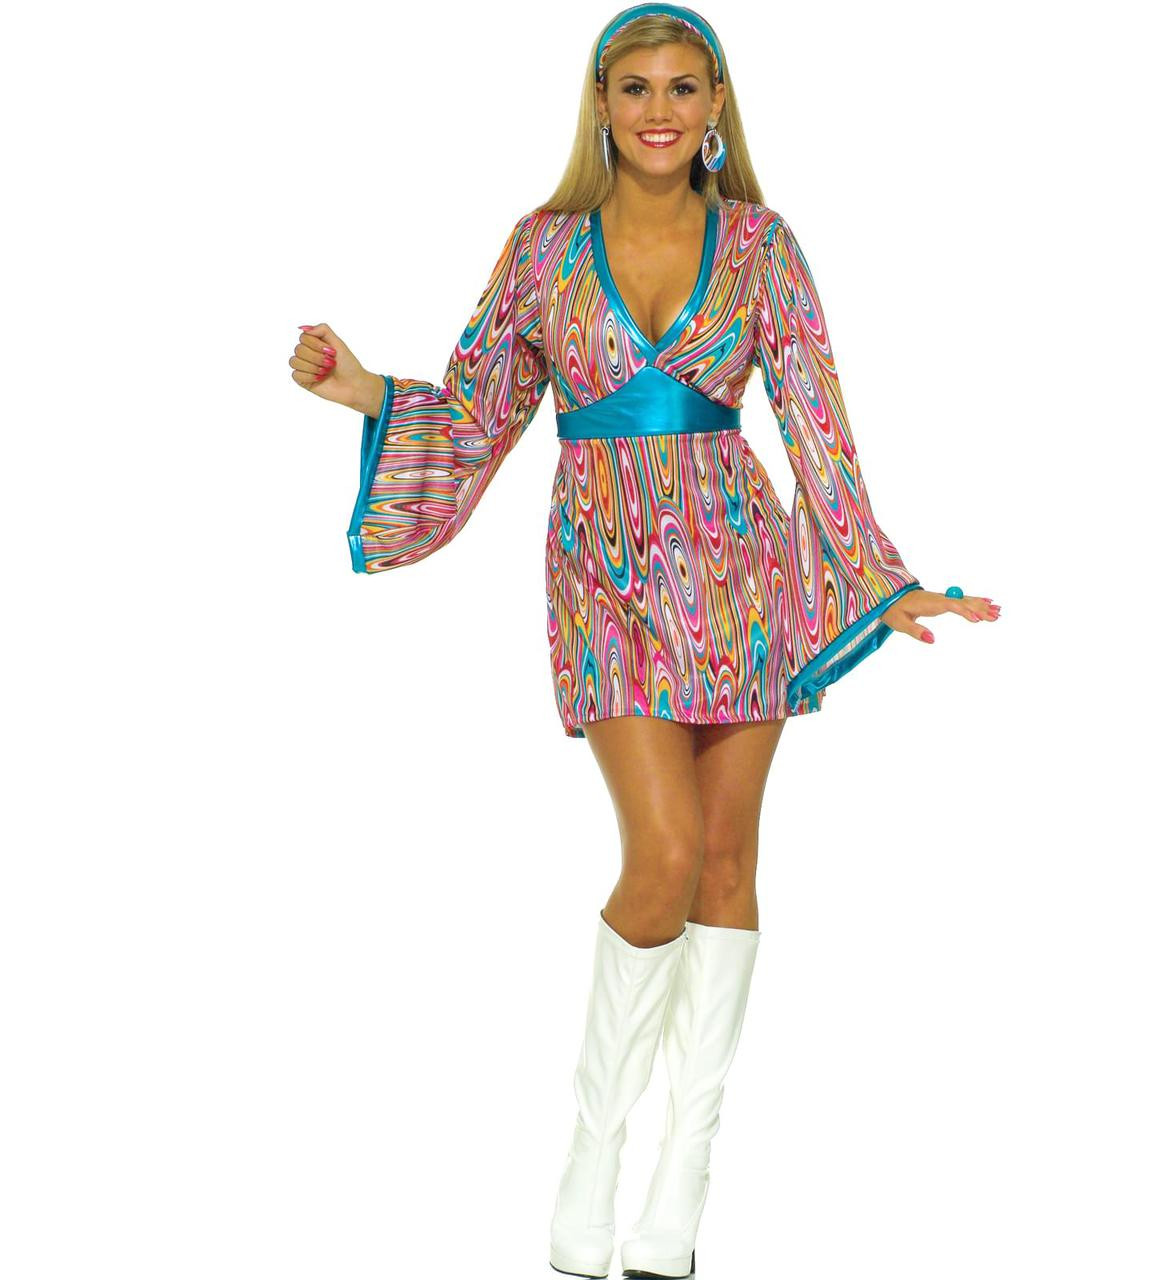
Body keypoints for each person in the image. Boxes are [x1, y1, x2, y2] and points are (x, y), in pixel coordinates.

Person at [290, 5, 1000, 1276]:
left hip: (739, 570)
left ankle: (683, 1177)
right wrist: (364, 390)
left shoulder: (764, 244)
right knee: (660, 852)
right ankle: (592, 1153)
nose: (657, 109)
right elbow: (479, 412)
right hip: (604, 574)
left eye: (681, 87)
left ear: (715, 104)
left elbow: (816, 420)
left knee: (724, 861)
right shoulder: (543, 247)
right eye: (634, 88)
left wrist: (876, 576)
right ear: (600, 103)